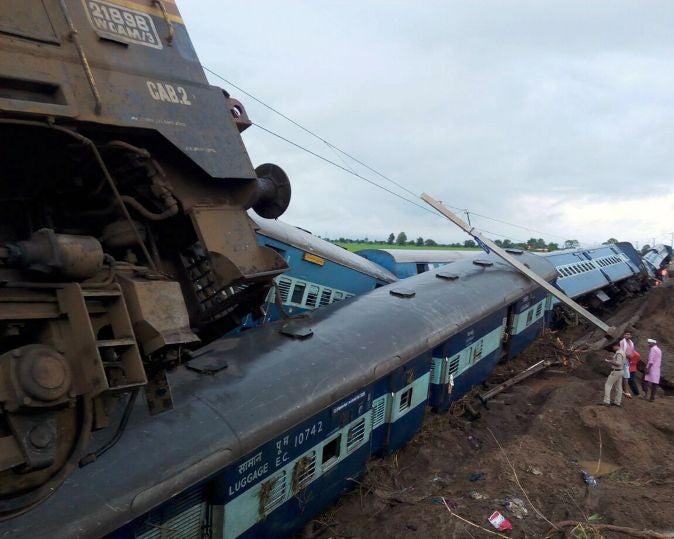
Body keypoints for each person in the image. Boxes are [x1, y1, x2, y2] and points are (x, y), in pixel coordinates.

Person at [619, 331, 635, 398]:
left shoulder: (631, 343)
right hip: (623, 360)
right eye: (626, 334)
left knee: (625, 376)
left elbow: (632, 352)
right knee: (625, 376)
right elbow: (621, 351)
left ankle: (624, 390)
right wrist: (628, 355)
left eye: (628, 334)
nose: (627, 335)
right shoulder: (622, 342)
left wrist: (631, 356)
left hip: (628, 361)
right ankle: (625, 390)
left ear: (630, 336)